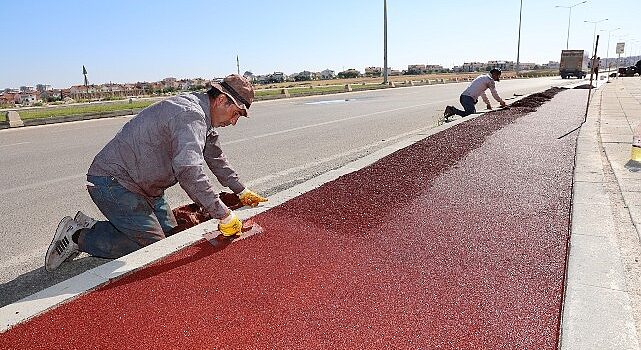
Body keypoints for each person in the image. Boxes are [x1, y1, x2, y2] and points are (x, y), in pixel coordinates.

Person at [45, 74, 267, 271]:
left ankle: (98, 227)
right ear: (220, 100)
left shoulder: (203, 117)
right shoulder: (192, 116)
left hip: (146, 187)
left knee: (173, 238)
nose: (234, 121)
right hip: (113, 182)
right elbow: (189, 171)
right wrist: (224, 215)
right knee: (155, 248)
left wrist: (241, 190)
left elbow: (216, 158)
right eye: (235, 113)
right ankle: (78, 236)